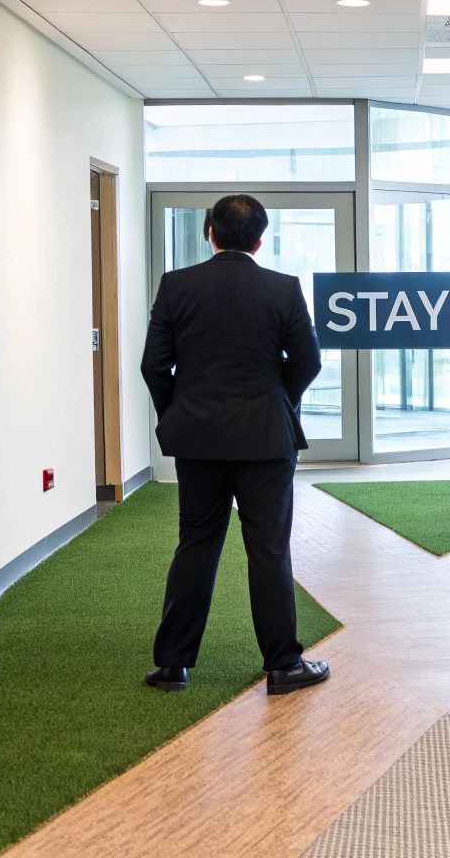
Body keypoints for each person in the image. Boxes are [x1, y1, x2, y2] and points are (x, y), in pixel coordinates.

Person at [138, 194, 330, 696]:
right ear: (261, 240)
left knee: (196, 542)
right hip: (267, 440)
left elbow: (153, 366)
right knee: (267, 548)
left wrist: (178, 413)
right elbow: (307, 362)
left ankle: (173, 664)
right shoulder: (283, 289)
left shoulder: (177, 286)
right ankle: (283, 665)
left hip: (197, 441)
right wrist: (275, 401)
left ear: (210, 233)